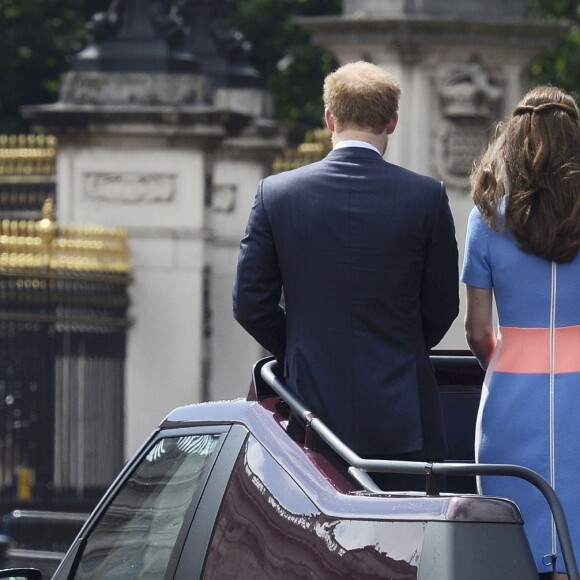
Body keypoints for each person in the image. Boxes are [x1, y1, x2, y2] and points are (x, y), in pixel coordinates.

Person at [233, 61, 459, 482]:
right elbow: (443, 305)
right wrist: (401, 346)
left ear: (329, 118)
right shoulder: (426, 197)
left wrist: (302, 348)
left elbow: (250, 304)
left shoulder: (276, 195)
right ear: (392, 122)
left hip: (307, 413)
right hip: (404, 417)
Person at [462, 85, 580, 579]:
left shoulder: (487, 218)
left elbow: (476, 329)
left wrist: (506, 362)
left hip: (510, 396)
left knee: (511, 549)